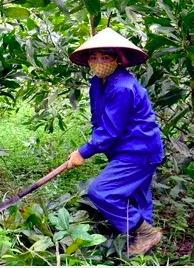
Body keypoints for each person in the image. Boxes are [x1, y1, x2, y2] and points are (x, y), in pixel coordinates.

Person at [66, 27, 164, 257]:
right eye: (93, 57)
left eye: (105, 57)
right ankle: (143, 249)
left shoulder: (122, 87)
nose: (98, 62)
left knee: (101, 192)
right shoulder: (97, 83)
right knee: (138, 195)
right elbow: (98, 120)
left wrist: (83, 152)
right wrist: (91, 147)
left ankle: (145, 233)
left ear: (118, 59)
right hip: (124, 149)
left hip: (138, 151)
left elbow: (110, 130)